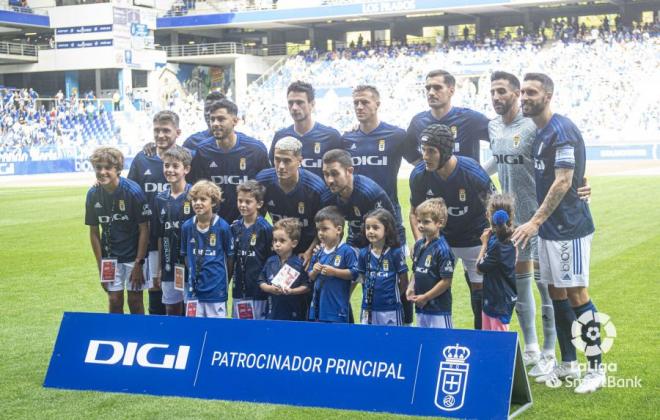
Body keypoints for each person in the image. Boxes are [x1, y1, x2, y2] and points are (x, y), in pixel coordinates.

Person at [513, 73, 603, 394]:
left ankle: (596, 368)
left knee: (577, 294)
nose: (524, 97)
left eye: (531, 92)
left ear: (548, 95)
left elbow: (564, 180)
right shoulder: (541, 133)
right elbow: (574, 174)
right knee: (556, 293)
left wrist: (534, 222)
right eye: (522, 92)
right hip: (551, 229)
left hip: (569, 228)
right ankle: (568, 362)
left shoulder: (560, 131)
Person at [342, 84, 419, 324]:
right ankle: (346, 326)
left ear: (377, 104)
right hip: (357, 223)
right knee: (347, 281)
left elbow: (420, 165)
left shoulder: (396, 135)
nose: (360, 107)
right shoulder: (347, 138)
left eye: (365, 102)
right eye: (356, 102)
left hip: (389, 221)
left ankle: (405, 325)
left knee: (398, 276)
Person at [409, 124, 496, 330]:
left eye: (431, 151)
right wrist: (420, 241)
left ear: (446, 151)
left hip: (474, 238)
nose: (425, 156)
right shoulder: (419, 175)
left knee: (480, 292)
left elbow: (495, 207)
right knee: (427, 284)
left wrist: (488, 241)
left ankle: (480, 338)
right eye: (423, 150)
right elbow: (414, 211)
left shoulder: (472, 172)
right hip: (441, 240)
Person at [85, 147, 151, 314]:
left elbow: (145, 229)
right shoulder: (93, 194)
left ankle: (138, 336)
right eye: (98, 168)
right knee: (114, 300)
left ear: (118, 169)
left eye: (108, 168)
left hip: (133, 257)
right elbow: (94, 231)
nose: (102, 172)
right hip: (110, 259)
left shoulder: (133, 192)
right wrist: (100, 264)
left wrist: (139, 262)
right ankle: (117, 336)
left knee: (135, 300)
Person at [128, 110, 181, 316]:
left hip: (176, 237)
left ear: (177, 132)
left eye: (166, 131)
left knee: (178, 289)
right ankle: (157, 330)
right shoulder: (142, 160)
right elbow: (129, 192)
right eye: (157, 130)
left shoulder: (185, 158)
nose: (160, 135)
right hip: (149, 236)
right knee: (154, 285)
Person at [188, 99, 270, 224]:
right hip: (214, 225)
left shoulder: (256, 149)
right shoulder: (203, 151)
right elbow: (196, 189)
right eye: (212, 119)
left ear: (235, 121)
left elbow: (266, 187)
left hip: (247, 225)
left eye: (221, 119)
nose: (215, 123)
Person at [256, 137, 333, 266]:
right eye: (277, 159)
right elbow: (257, 215)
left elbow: (325, 226)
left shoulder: (316, 188)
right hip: (279, 247)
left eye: (287, 161)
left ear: (299, 161)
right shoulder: (263, 180)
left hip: (307, 249)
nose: (281, 166)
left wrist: (310, 252)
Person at [321, 149, 404, 249]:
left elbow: (392, 228)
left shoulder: (369, 193)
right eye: (326, 174)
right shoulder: (328, 196)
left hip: (387, 240)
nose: (330, 180)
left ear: (349, 171)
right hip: (357, 239)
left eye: (335, 174)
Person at [406, 69, 489, 163]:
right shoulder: (418, 122)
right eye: (428, 88)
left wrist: (484, 171)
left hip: (464, 178)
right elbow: (407, 149)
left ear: (451, 91)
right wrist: (421, 167)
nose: (431, 93)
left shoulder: (471, 119)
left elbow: (501, 140)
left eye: (437, 88)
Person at [180, 180, 234, 318]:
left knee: (216, 332)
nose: (198, 203)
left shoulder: (223, 227)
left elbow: (230, 259)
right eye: (194, 199)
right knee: (194, 331)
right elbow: (186, 256)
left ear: (214, 202)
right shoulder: (187, 227)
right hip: (194, 291)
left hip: (216, 291)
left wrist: (222, 282)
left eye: (203, 199)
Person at [270, 81, 342, 179]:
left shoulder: (331, 137)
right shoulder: (280, 136)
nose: (294, 107)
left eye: (300, 102)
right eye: (290, 103)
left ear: (312, 104)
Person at [152, 145, 194, 316]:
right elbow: (160, 236)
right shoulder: (159, 199)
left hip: (192, 267)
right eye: (166, 165)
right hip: (169, 267)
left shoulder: (195, 195)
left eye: (175, 166)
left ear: (186, 169)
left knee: (192, 311)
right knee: (171, 310)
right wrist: (159, 268)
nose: (170, 170)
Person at [406, 198, 455, 328]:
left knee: (441, 344)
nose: (421, 225)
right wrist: (411, 286)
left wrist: (426, 297)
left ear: (440, 223)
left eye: (426, 222)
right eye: (419, 221)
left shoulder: (443, 250)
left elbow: (446, 281)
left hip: (439, 310)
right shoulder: (418, 245)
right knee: (423, 344)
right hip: (421, 308)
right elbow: (415, 271)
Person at [356, 208, 408, 326]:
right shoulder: (364, 253)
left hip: (391, 309)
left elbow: (404, 281)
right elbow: (362, 278)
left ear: (387, 229)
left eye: (375, 227)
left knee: (392, 341)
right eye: (367, 228)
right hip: (368, 309)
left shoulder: (395, 253)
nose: (370, 231)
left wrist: (393, 297)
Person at [230, 180, 273, 320]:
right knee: (238, 330)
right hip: (238, 291)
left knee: (257, 331)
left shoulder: (265, 229)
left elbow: (270, 260)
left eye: (248, 202)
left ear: (259, 204)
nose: (242, 205)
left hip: (258, 292)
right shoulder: (234, 227)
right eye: (239, 201)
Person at [308, 206, 359, 323]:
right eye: (318, 229)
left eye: (325, 229)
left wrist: (335, 272)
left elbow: (355, 273)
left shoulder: (346, 251)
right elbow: (310, 276)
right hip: (317, 309)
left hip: (336, 308)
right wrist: (314, 271)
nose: (320, 233)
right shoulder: (318, 252)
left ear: (338, 230)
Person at [477, 194, 517, 331]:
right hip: (493, 300)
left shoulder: (499, 244)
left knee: (500, 343)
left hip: (500, 303)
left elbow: (479, 268)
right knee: (489, 341)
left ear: (489, 215)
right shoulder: (501, 238)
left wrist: (483, 244)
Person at [259, 218, 311, 321]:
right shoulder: (270, 261)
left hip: (294, 313)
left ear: (294, 243)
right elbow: (261, 281)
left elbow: (307, 286)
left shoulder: (299, 263)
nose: (277, 244)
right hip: (272, 312)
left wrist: (292, 291)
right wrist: (270, 289)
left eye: (282, 241)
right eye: (275, 240)